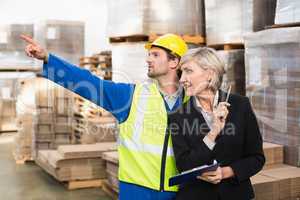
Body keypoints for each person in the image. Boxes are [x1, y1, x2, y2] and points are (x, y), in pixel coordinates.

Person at [21, 33, 189, 200]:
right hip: (136, 190)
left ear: (174, 61)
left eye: (155, 55)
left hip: (178, 191)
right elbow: (89, 83)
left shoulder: (191, 101)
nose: (148, 59)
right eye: (149, 54)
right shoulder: (132, 96)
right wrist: (48, 59)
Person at [168, 47, 265, 200]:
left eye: (188, 71)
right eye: (182, 72)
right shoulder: (178, 116)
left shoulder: (240, 105)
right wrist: (213, 132)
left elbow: (256, 158)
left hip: (236, 194)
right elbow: (184, 165)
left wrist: (225, 172)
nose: (182, 79)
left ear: (210, 74)